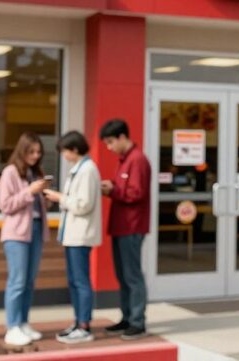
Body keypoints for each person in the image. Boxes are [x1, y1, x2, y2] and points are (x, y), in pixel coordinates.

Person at [44, 131, 101, 344]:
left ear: (74, 149)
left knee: (80, 281)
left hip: (80, 236)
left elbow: (83, 204)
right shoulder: (79, 170)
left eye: (65, 151)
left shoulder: (87, 170)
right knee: (74, 281)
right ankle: (78, 321)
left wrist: (59, 197)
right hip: (72, 235)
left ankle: (84, 325)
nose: (64, 156)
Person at [98, 119, 151, 340]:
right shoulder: (124, 160)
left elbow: (135, 193)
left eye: (110, 142)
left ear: (122, 137)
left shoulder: (137, 160)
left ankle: (137, 321)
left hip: (132, 226)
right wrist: (113, 186)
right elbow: (126, 188)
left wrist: (112, 190)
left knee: (132, 275)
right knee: (122, 275)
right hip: (121, 226)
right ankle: (127, 317)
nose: (109, 148)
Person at [0, 132, 51, 347]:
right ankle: (12, 326)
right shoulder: (10, 172)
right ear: (22, 151)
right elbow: (6, 205)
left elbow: (37, 207)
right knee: (17, 281)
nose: (36, 156)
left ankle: (23, 322)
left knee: (29, 282)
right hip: (16, 234)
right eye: (31, 152)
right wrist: (30, 191)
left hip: (36, 229)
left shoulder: (36, 172)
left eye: (39, 152)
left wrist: (45, 198)